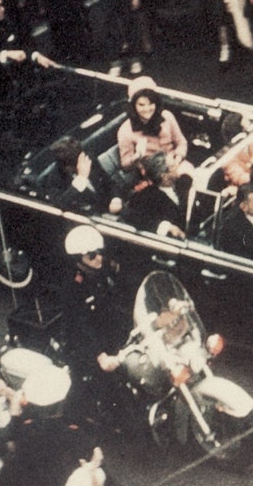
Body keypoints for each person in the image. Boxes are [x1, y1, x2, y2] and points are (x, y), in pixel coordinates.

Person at [55, 225, 131, 425]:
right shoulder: (73, 286)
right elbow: (81, 324)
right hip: (85, 346)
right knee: (92, 385)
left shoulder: (103, 270)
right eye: (92, 255)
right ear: (78, 260)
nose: (99, 258)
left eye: (99, 253)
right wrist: (100, 355)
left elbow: (118, 301)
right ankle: (76, 423)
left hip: (109, 335)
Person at [115, 76, 191, 178]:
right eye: (141, 105)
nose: (147, 109)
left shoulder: (167, 116)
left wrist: (177, 158)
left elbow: (182, 142)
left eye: (151, 104)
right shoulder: (125, 131)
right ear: (133, 106)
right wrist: (137, 157)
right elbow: (125, 165)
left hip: (176, 164)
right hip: (153, 175)